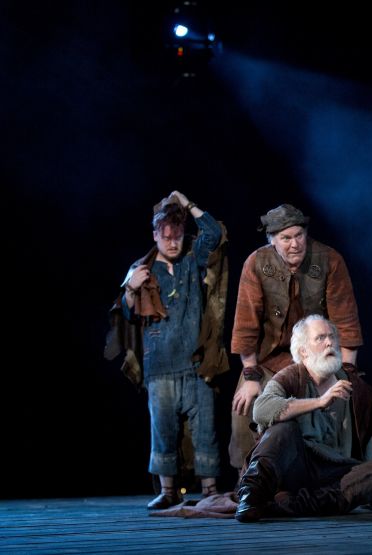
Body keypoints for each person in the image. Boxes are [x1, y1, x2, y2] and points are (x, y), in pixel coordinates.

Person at [105, 191, 229, 510]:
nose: (173, 243)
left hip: (196, 362)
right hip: (159, 364)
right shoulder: (141, 269)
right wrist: (131, 288)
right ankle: (168, 490)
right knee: (163, 430)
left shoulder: (191, 260)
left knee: (206, 429)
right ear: (155, 235)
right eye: (166, 237)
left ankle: (210, 490)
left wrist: (187, 204)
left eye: (177, 236)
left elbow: (214, 233)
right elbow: (126, 316)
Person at [229, 204, 363, 474]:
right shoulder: (256, 263)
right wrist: (251, 375)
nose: (294, 244)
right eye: (286, 238)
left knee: (353, 402)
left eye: (299, 235)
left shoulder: (329, 260)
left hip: (317, 359)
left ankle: (346, 473)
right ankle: (249, 478)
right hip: (269, 361)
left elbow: (346, 323)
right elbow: (246, 325)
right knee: (244, 406)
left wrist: (347, 372)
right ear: (272, 240)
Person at [235, 315, 372, 522]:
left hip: (334, 472)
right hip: (297, 467)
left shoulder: (355, 387)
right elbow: (261, 410)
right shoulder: (291, 377)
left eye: (331, 337)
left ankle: (286, 506)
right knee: (282, 429)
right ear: (303, 351)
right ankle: (251, 498)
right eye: (320, 338)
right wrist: (320, 402)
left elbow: (367, 437)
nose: (329, 342)